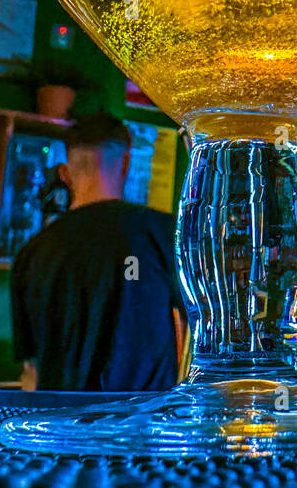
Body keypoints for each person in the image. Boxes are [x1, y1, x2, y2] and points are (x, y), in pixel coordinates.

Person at [10, 111, 184, 392]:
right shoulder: (164, 233)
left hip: (61, 428)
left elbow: (32, 375)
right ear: (126, 163)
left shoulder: (30, 254)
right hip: (141, 428)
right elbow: (191, 333)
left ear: (64, 173)